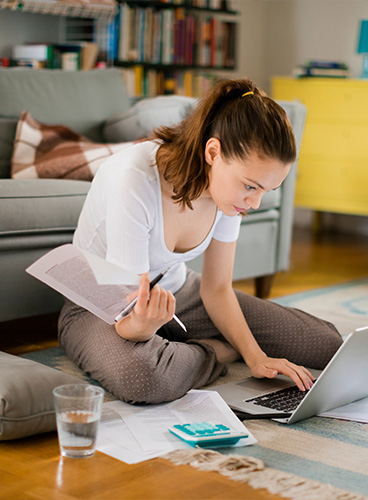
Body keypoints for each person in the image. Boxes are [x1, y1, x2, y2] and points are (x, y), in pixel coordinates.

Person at [58, 78, 343, 404]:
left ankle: (184, 351)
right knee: (144, 379)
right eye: (251, 186)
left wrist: (255, 356)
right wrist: (147, 328)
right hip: (101, 310)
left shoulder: (228, 195)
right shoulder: (134, 179)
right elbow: (127, 318)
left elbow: (216, 288)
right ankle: (213, 352)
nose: (255, 203)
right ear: (213, 152)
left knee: (327, 344)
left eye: (266, 190)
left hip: (179, 297)